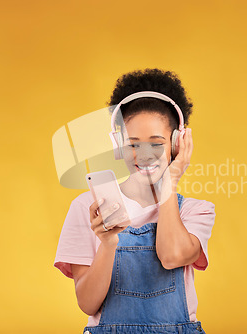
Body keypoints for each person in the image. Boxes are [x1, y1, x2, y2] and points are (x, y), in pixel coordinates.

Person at [54, 68, 216, 334]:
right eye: (133, 144)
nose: (144, 155)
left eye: (156, 144)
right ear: (118, 145)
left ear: (177, 144)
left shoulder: (195, 211)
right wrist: (107, 243)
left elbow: (172, 256)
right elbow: (87, 303)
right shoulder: (87, 207)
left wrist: (170, 181)